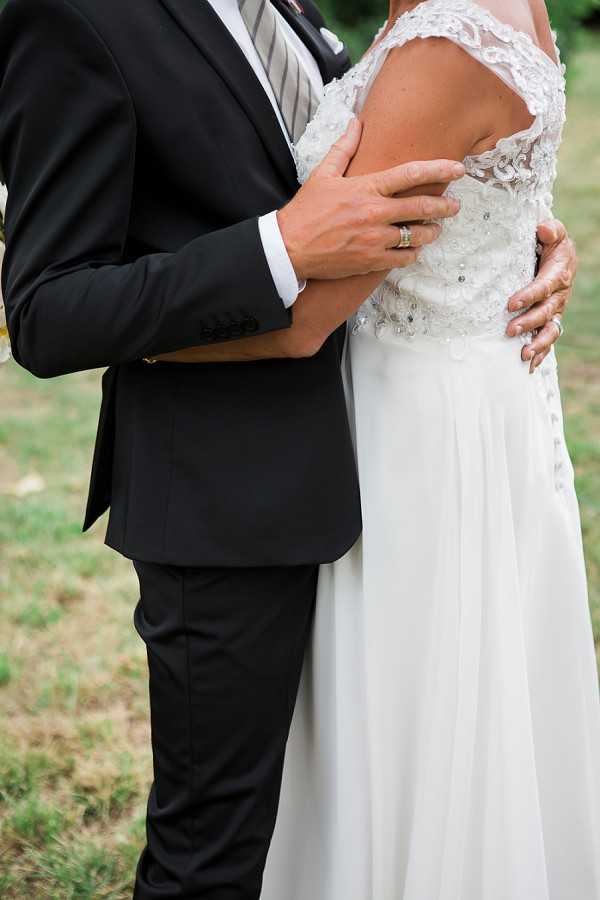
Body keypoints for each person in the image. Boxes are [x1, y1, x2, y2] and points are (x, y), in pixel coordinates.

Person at [0, 1, 579, 898]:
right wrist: (279, 249)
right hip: (226, 496)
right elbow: (45, 311)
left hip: (388, 475)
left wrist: (513, 244)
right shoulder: (73, 17)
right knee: (219, 853)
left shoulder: (304, 7)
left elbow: (426, 165)